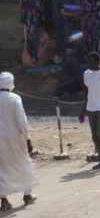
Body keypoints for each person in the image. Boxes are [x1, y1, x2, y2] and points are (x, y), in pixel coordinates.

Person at [0, 72, 38, 210]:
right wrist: (28, 140)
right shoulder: (15, 98)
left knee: (2, 168)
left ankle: (4, 201)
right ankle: (27, 195)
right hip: (16, 137)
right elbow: (22, 122)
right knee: (23, 163)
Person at [54, 30, 86, 98]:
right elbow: (80, 77)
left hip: (65, 84)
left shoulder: (70, 55)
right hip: (65, 85)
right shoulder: (72, 59)